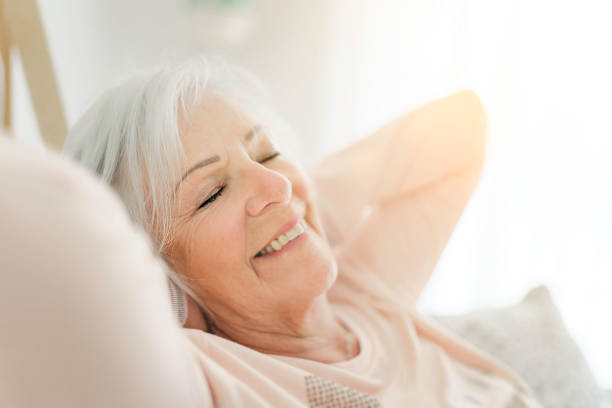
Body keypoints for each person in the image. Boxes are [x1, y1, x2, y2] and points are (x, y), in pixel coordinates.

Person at [59, 57, 540, 407]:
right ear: (155, 269)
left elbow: (459, 130)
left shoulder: (365, 295)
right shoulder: (207, 375)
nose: (274, 181)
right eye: (210, 194)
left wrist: (301, 205)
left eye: (267, 153)